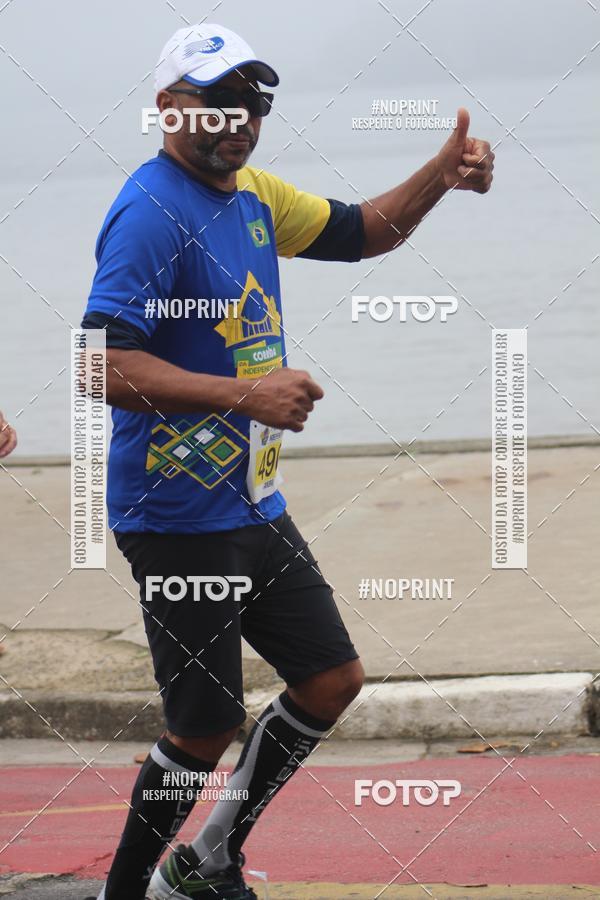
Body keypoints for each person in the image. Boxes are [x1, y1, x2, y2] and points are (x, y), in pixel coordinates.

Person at [81, 22, 494, 900]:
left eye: (254, 101)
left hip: (252, 502)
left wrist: (441, 174)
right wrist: (244, 395)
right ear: (167, 107)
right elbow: (99, 365)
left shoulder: (255, 196)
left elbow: (364, 231)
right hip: (176, 515)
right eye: (218, 100)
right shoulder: (150, 212)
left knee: (330, 679)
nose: (240, 118)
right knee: (203, 728)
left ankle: (206, 861)